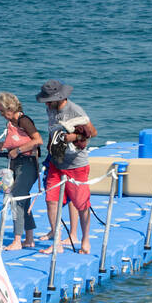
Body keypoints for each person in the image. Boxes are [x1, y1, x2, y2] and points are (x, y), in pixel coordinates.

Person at [36, 79, 96, 255]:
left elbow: (92, 132)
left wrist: (74, 137)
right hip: (56, 162)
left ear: (59, 97)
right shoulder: (50, 109)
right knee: (51, 201)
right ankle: (57, 243)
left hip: (76, 165)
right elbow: (52, 130)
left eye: (49, 100)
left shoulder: (75, 110)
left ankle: (85, 240)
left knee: (81, 204)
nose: (46, 104)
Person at [0, 92, 42, 250]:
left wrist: (18, 150)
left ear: (10, 108)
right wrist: (5, 147)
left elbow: (38, 140)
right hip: (17, 164)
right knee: (24, 199)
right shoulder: (12, 123)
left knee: (17, 199)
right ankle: (29, 239)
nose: (1, 114)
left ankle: (16, 240)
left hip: (28, 164)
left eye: (2, 111)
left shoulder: (23, 120)